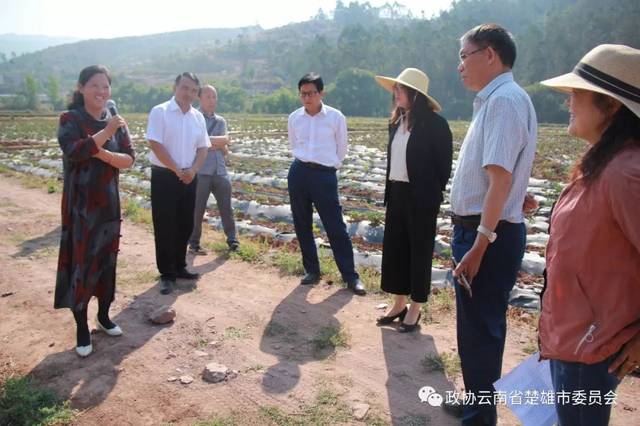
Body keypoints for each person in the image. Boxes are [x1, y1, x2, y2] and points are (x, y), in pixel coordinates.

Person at [538, 44, 640, 426]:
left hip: (592, 348)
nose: (568, 103)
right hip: (575, 339)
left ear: (612, 106)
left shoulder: (624, 173)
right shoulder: (604, 164)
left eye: (575, 94)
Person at [447, 24, 538, 424]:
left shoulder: (504, 102)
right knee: (476, 330)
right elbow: (503, 178)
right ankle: (475, 405)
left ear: (489, 55)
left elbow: (500, 179)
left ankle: (479, 419)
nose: (460, 66)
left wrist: (480, 244)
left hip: (486, 234)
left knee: (480, 334)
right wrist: (520, 195)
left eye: (465, 56)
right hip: (488, 229)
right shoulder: (498, 100)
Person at [54, 65, 135, 357]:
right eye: (95, 86)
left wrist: (102, 150)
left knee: (106, 263)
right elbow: (74, 151)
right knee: (82, 266)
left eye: (105, 87)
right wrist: (105, 134)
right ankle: (81, 327)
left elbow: (129, 159)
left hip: (108, 205)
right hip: (81, 208)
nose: (102, 92)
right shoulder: (70, 119)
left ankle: (103, 316)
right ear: (81, 88)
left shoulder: (115, 120)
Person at [373, 68, 453, 332]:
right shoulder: (396, 122)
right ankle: (398, 303)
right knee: (396, 251)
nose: (396, 93)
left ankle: (416, 308)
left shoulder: (436, 125)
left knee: (418, 253)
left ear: (415, 95)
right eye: (395, 89)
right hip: (397, 194)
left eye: (401, 89)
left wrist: (429, 193)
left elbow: (443, 166)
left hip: (421, 198)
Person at [287, 73, 366, 296]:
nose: (307, 98)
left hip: (324, 176)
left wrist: (328, 168)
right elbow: (294, 143)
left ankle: (350, 276)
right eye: (303, 94)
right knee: (302, 223)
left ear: (321, 93)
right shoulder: (294, 118)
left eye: (311, 93)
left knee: (335, 226)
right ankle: (312, 270)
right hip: (299, 172)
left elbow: (341, 149)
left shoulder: (335, 117)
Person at [147, 72, 210, 295]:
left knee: (185, 224)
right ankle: (166, 274)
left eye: (194, 90)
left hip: (189, 177)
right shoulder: (160, 112)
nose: (189, 94)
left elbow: (203, 148)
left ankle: (180, 265)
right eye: (185, 88)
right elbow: (155, 143)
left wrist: (192, 170)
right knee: (165, 225)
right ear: (175, 87)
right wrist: (176, 169)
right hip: (165, 176)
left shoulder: (197, 117)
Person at [188, 85, 239, 255]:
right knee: (197, 209)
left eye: (214, 97)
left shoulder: (220, 120)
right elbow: (195, 143)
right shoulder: (192, 118)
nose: (212, 100)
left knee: (227, 208)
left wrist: (212, 143)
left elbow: (224, 142)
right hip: (201, 171)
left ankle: (233, 240)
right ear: (199, 98)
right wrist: (217, 143)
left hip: (220, 170)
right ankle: (194, 243)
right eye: (208, 97)